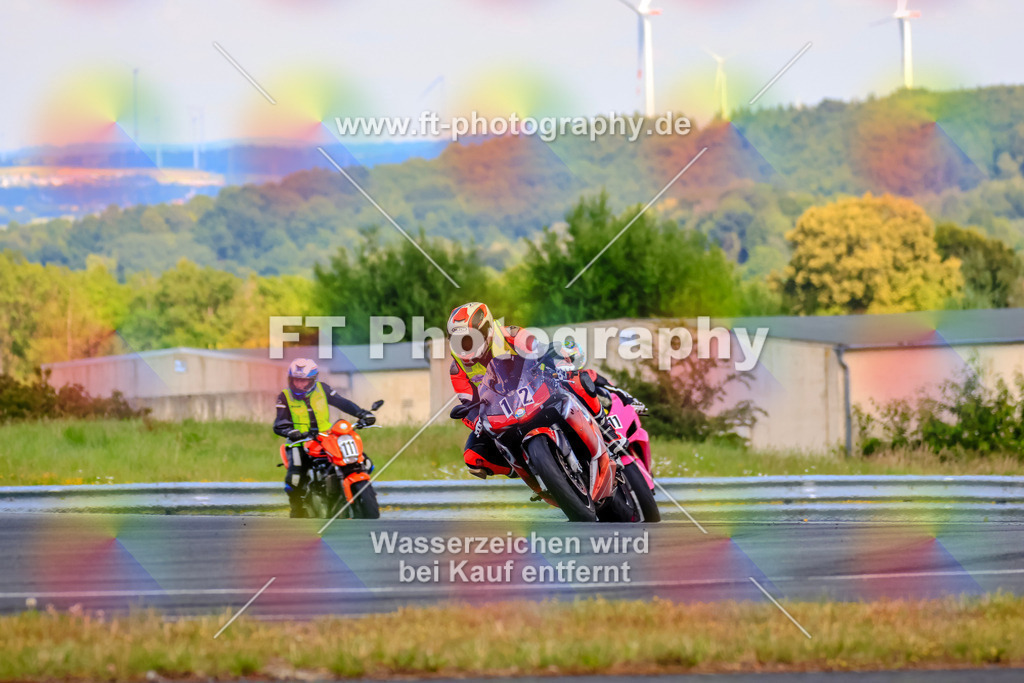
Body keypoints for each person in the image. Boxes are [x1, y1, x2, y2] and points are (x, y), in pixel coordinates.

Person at [273, 358, 376, 518]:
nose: (299, 385)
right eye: (296, 380)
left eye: (304, 381)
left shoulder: (323, 389)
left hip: (326, 437)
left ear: (313, 380)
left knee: (363, 462)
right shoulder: (285, 396)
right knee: (295, 477)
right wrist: (290, 431)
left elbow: (342, 403)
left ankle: (345, 491)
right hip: (299, 441)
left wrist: (362, 413)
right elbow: (279, 422)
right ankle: (297, 508)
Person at [447, 302, 539, 479]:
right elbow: (468, 404)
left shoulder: (510, 334)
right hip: (502, 416)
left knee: (578, 380)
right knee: (473, 457)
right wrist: (476, 421)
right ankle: (521, 471)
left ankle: (604, 427)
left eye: (470, 338)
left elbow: (538, 348)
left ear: (486, 329)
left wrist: (550, 357)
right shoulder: (456, 369)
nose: (465, 345)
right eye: (459, 340)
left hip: (536, 393)